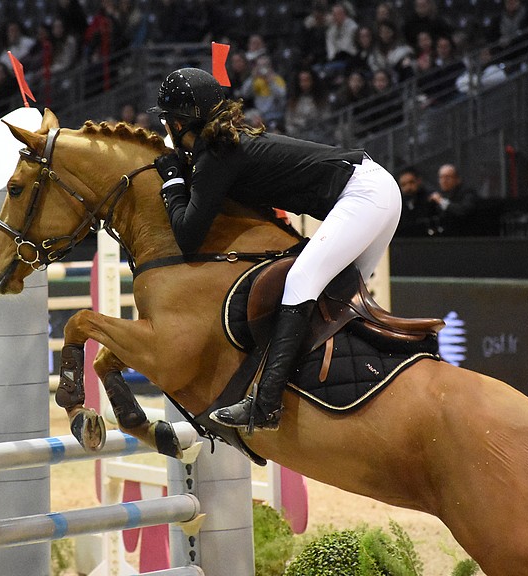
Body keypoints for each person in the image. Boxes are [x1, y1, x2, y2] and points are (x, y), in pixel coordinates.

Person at [148, 68, 401, 432]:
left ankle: (265, 405)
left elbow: (188, 237)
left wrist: (172, 180)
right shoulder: (225, 145)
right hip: (376, 189)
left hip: (364, 195)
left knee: (301, 281)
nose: (168, 132)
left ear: (182, 123)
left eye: (169, 122)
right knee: (338, 300)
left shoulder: (216, 154)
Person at [430, 163, 477, 235]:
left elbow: (463, 211)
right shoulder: (438, 194)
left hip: (463, 235)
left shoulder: (467, 193)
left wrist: (441, 201)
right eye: (441, 177)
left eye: (447, 177)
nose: (444, 181)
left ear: (457, 179)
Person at [396, 167, 437, 236]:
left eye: (411, 182)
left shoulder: (429, 198)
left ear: (418, 181)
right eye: (404, 184)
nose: (408, 187)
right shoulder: (398, 202)